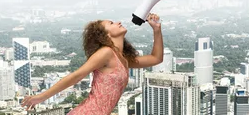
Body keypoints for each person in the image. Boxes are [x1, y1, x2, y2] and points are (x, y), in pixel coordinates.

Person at [22, 13, 163, 113]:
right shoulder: (106, 53)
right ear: (106, 35)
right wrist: (41, 97)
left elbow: (156, 58)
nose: (119, 22)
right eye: (112, 23)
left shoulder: (123, 58)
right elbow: (76, 76)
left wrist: (157, 30)